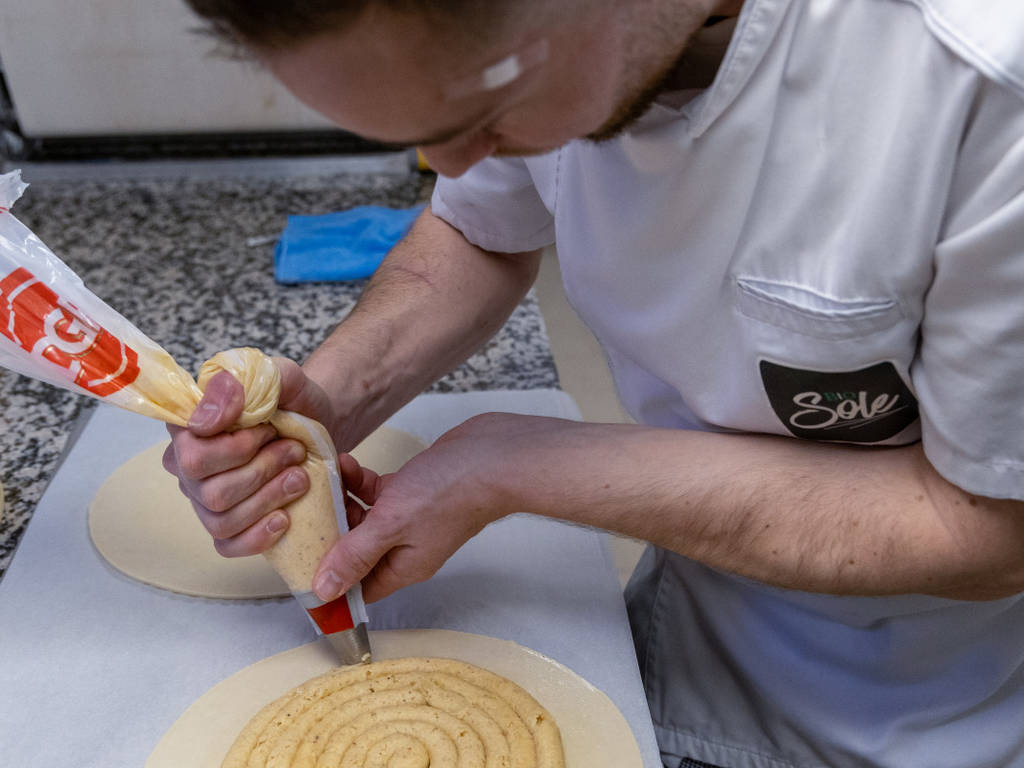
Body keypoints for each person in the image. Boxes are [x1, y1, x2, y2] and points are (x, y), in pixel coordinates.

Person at [163, 1, 1024, 765]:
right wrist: (327, 404)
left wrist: (520, 464)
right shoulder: (554, 43)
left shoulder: (981, 82)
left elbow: (988, 530)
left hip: (933, 709)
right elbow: (482, 232)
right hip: (678, 636)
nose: (448, 162)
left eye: (482, 111)